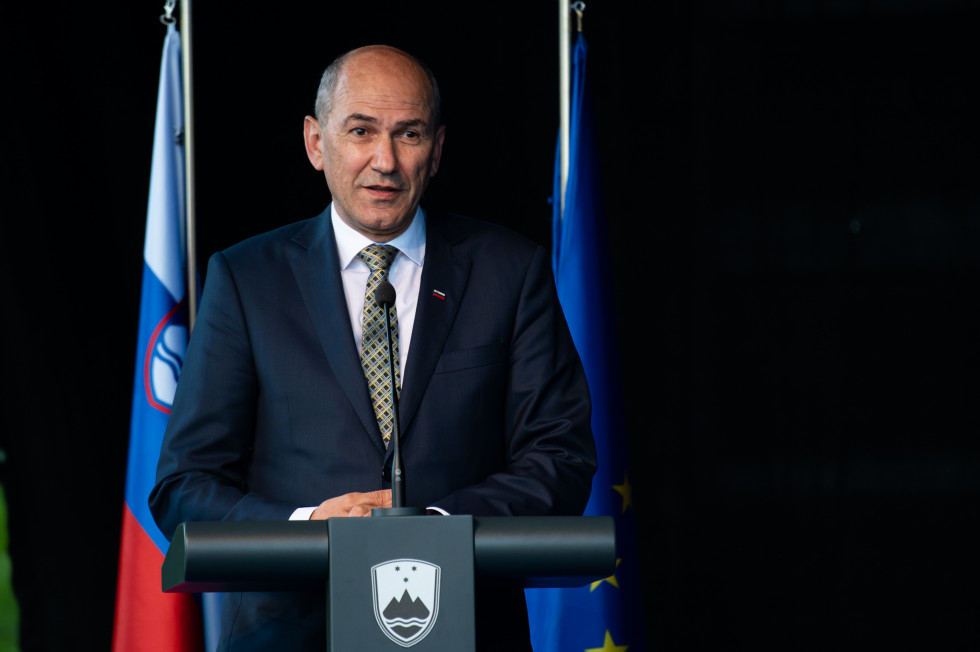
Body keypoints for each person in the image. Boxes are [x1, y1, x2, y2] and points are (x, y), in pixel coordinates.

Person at [149, 44, 596, 650]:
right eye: (360, 130)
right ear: (315, 142)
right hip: (291, 634)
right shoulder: (246, 279)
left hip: (467, 629)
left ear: (436, 151)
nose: (384, 160)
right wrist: (311, 530)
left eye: (407, 134)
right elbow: (184, 485)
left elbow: (560, 457)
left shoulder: (509, 274)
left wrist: (431, 530)